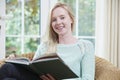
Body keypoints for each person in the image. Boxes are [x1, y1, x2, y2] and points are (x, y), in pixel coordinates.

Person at [0, 2, 95, 80]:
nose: (58, 22)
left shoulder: (85, 46)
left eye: (62, 17)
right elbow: (33, 68)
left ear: (71, 19)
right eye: (54, 20)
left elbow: (88, 78)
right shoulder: (45, 45)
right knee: (7, 68)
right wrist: (16, 60)